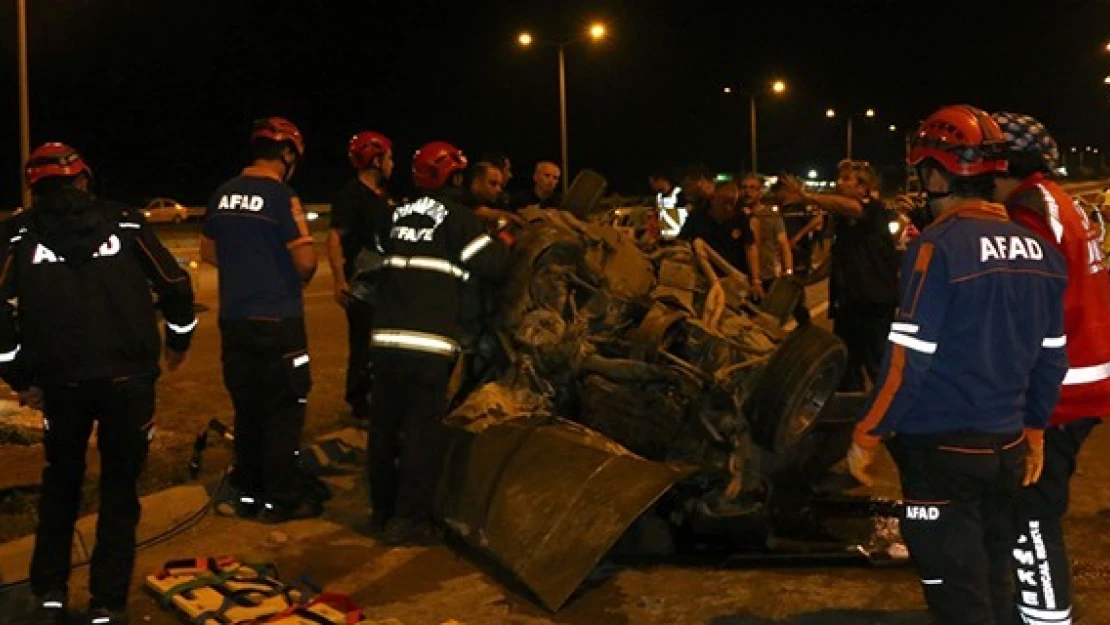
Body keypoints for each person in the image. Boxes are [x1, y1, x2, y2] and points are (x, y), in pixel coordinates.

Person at [849, 104, 1069, 625]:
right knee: (995, 575)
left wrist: (868, 432)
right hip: (1008, 446)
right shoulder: (1042, 249)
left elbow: (909, 356)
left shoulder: (935, 247)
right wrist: (1034, 428)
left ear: (936, 172)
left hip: (939, 449)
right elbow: (1052, 354)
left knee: (954, 590)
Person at [0, 143, 196, 624]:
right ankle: (107, 604)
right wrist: (178, 339)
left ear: (35, 186)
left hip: (60, 384)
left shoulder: (18, 233)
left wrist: (20, 375)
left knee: (61, 486)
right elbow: (174, 284)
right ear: (84, 178)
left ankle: (48, 594)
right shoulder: (125, 221)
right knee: (119, 492)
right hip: (129, 380)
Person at [991, 111, 1110, 625]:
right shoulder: (1062, 203)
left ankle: (1046, 616)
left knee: (1032, 513)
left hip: (1058, 390)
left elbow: (1028, 308)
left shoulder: (1029, 212)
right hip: (1085, 375)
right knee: (1032, 506)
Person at [368, 141, 510, 545]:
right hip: (427, 345)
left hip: (385, 341)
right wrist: (502, 233)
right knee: (420, 432)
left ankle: (381, 510)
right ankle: (409, 520)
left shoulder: (393, 214)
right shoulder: (460, 220)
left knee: (383, 427)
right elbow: (494, 266)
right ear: (455, 178)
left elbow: (372, 259)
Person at [201, 117, 321, 523]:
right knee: (285, 409)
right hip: (279, 319)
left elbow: (210, 253)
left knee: (247, 409)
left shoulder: (222, 195)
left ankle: (247, 492)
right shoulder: (281, 196)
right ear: (287, 154)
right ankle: (283, 499)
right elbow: (305, 263)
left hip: (234, 320)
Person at [782, 159, 900, 391]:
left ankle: (894, 415)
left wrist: (807, 196)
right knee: (846, 362)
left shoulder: (871, 209)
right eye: (840, 178)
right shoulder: (843, 222)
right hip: (848, 303)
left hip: (873, 301)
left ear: (863, 188)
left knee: (878, 362)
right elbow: (835, 260)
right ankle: (849, 415)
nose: (839, 183)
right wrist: (807, 281)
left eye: (847, 179)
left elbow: (849, 207)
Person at [326, 130, 394, 422]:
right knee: (362, 344)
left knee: (381, 343)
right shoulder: (351, 195)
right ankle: (359, 401)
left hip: (383, 282)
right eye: (389, 158)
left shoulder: (382, 196)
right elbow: (334, 238)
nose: (393, 164)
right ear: (376, 160)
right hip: (362, 284)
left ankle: (377, 395)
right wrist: (340, 280)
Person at [677, 180, 762, 297]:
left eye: (732, 203)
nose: (729, 208)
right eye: (725, 202)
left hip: (735, 282)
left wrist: (756, 280)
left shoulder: (740, 217)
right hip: (703, 281)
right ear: (713, 199)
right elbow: (682, 242)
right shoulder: (697, 217)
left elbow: (750, 247)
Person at [745, 174, 793, 294]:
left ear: (760, 192)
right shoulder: (735, 216)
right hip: (744, 276)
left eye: (752, 188)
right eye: (744, 187)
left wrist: (788, 272)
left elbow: (784, 245)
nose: (747, 192)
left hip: (769, 275)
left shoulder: (771, 216)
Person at [650, 171, 687, 239]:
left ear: (660, 180)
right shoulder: (658, 197)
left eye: (653, 184)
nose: (653, 187)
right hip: (663, 238)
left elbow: (685, 215)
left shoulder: (678, 193)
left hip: (679, 238)